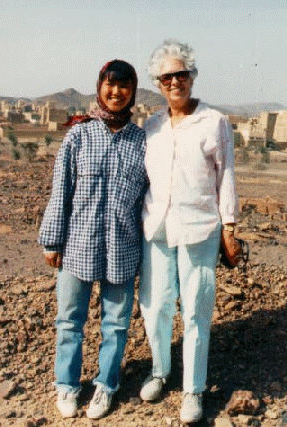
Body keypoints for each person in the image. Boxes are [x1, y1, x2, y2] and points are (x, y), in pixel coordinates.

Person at [139, 40, 241, 424]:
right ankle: (160, 370)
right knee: (156, 305)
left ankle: (193, 390)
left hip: (199, 227)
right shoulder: (152, 124)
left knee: (196, 312)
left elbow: (226, 175)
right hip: (157, 225)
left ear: (192, 77)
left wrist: (229, 225)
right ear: (158, 83)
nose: (175, 81)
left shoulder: (214, 121)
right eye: (167, 77)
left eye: (181, 74)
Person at [38, 60, 146, 420]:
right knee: (69, 321)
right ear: (99, 87)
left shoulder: (142, 142)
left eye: (124, 86)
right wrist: (52, 241)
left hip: (123, 248)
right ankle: (67, 386)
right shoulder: (78, 136)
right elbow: (61, 192)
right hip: (77, 247)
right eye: (109, 85)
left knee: (115, 325)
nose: (116, 92)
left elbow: (151, 199)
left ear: (132, 91)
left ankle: (106, 386)